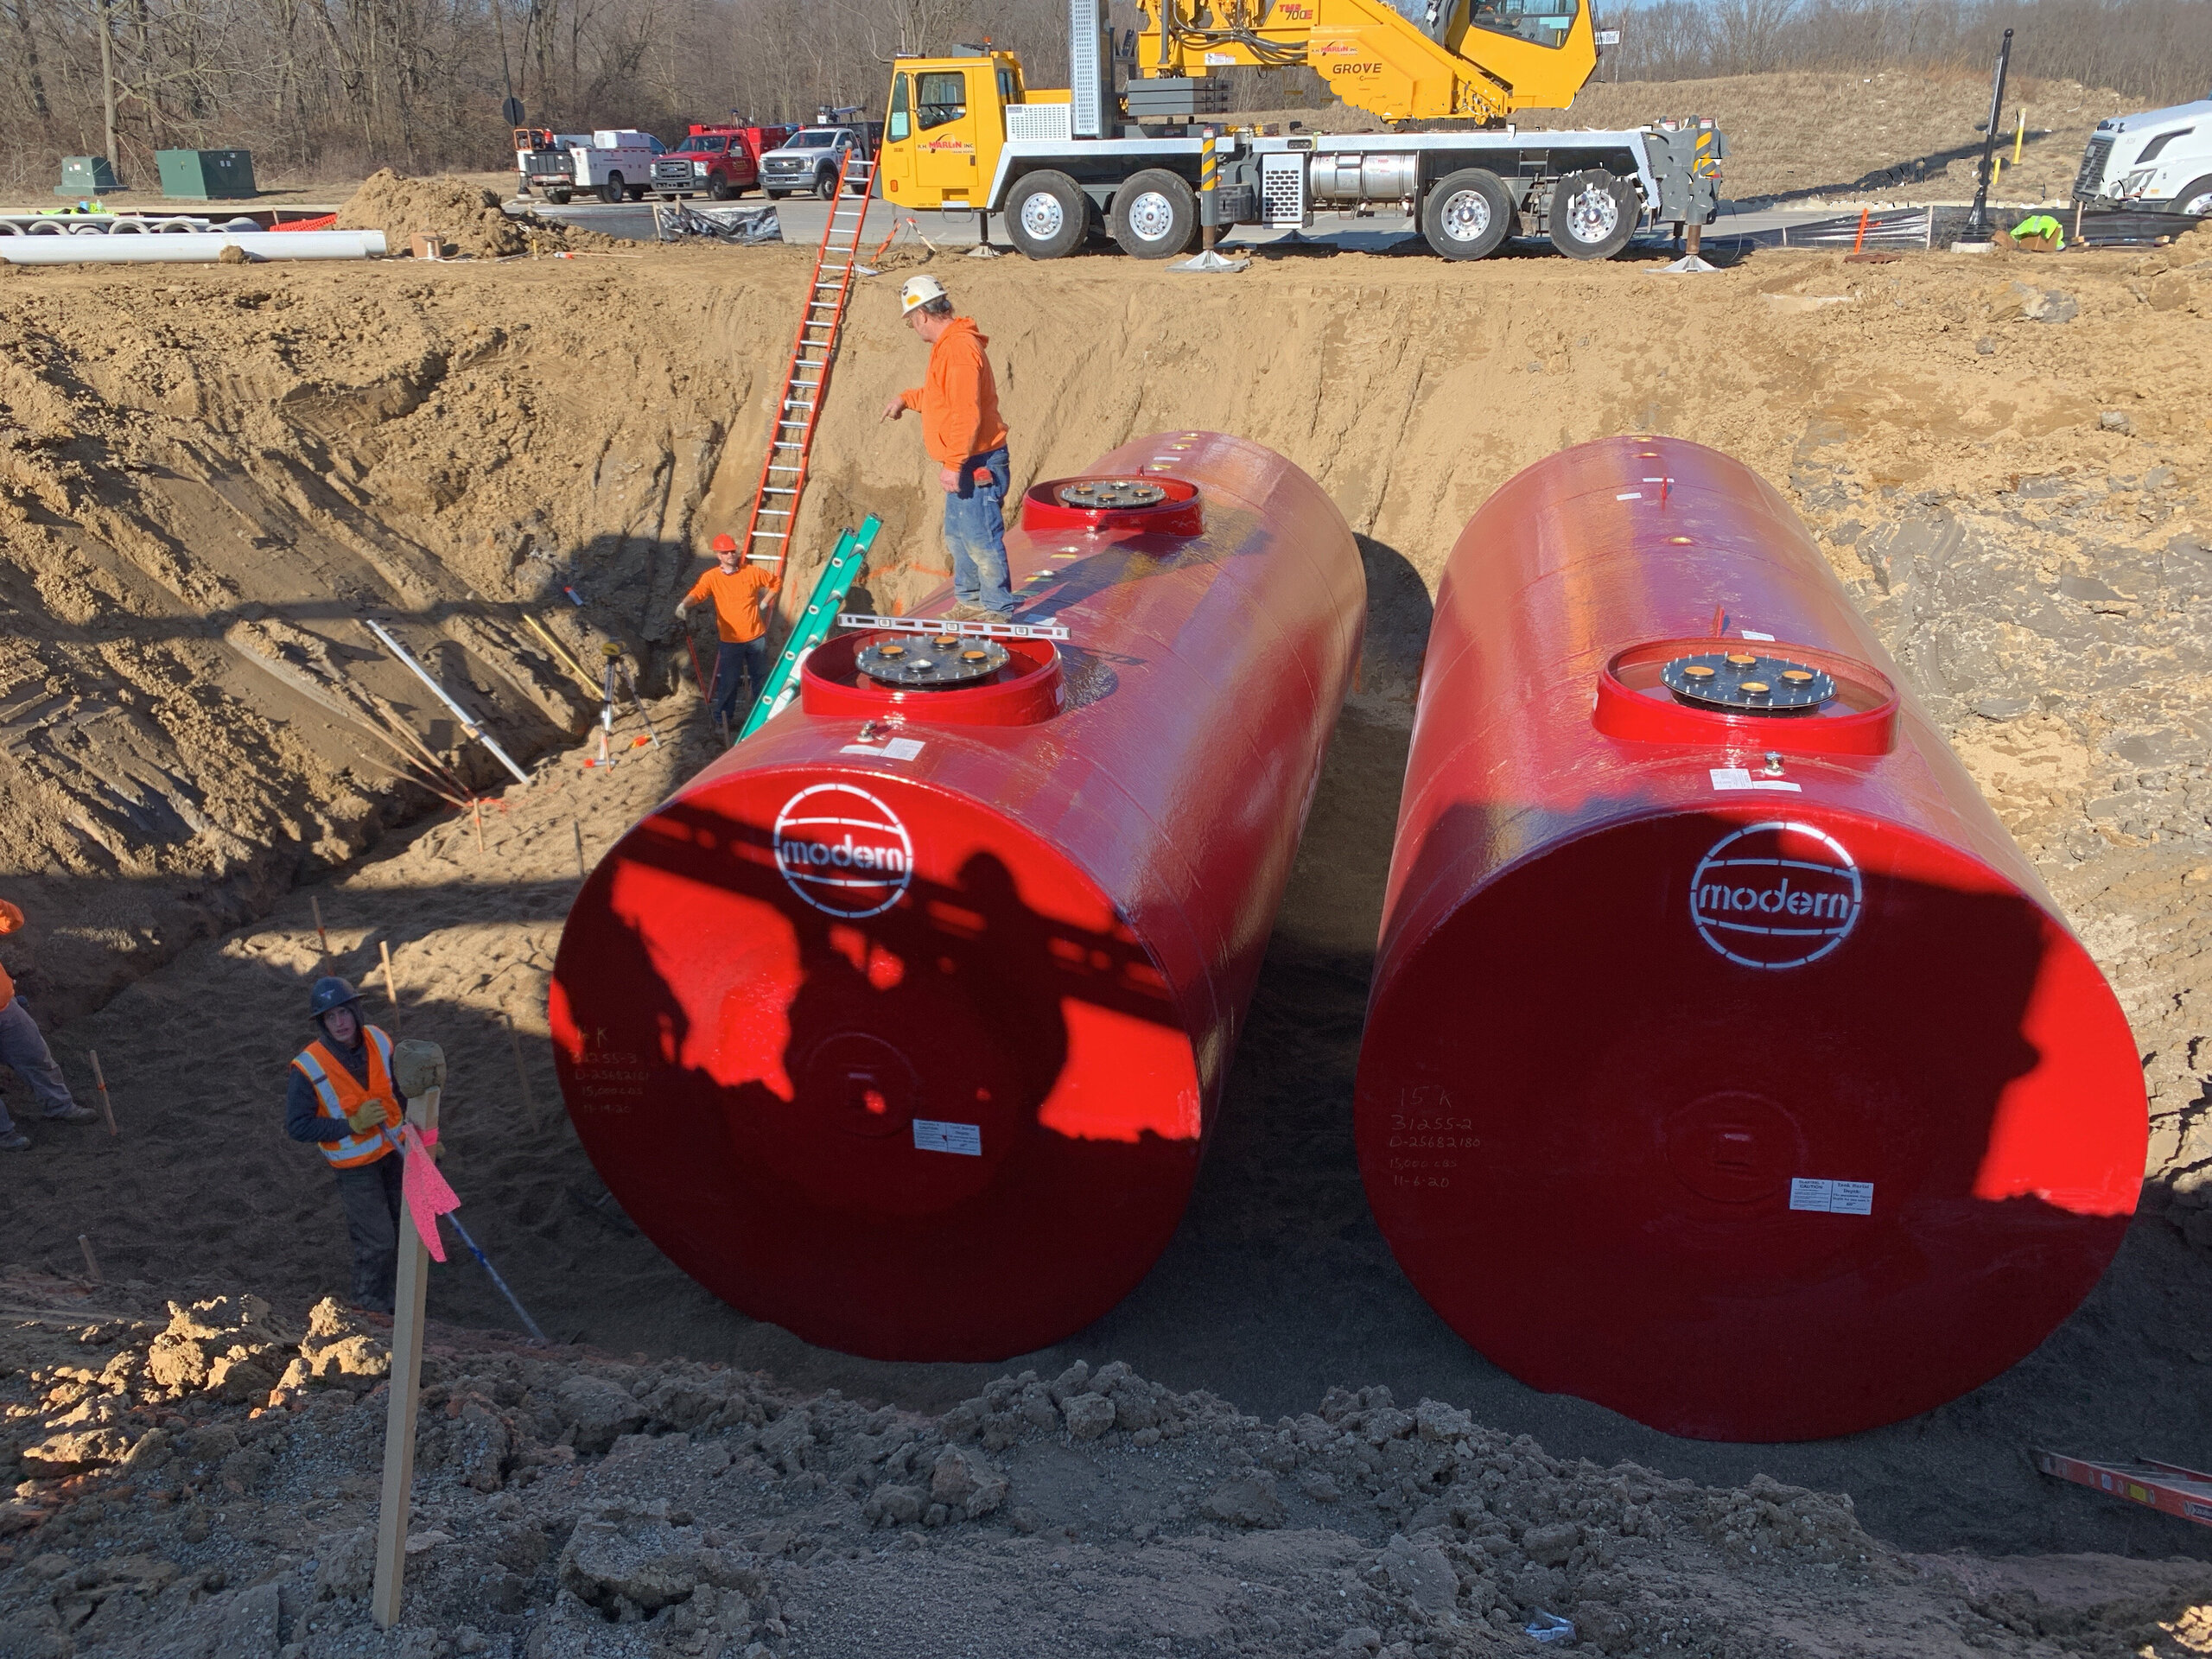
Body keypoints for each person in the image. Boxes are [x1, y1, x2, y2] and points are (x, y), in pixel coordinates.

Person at [880, 275, 1014, 621]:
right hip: (968, 458)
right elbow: (942, 396)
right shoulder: (948, 346)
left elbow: (966, 412)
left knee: (980, 536)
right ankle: (971, 601)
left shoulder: (958, 349)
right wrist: (906, 399)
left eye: (911, 321)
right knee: (959, 537)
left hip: (977, 460)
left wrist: (953, 464)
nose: (913, 328)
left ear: (921, 316)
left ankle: (997, 609)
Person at [283, 976, 404, 1314]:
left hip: (396, 1152)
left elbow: (400, 1093)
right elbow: (298, 1126)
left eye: (344, 1013)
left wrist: (424, 1140)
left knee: (403, 1228)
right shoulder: (308, 1067)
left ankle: (399, 1296)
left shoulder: (379, 1040)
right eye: (330, 1017)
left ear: (356, 1011)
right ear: (322, 1022)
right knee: (377, 1241)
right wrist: (351, 1125)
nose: (339, 1023)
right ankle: (368, 1307)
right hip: (356, 1169)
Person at [0, 899, 95, 1151]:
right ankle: (4, 1134)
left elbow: (13, 922)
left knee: (34, 1054)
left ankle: (59, 1106)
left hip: (5, 1008)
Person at [676, 532, 782, 729]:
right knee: (729, 682)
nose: (731, 555)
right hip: (730, 641)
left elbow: (775, 582)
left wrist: (765, 601)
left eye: (733, 551)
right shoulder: (712, 577)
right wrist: (684, 604)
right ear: (719, 555)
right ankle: (722, 720)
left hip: (756, 636)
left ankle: (763, 718)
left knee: (760, 679)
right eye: (726, 552)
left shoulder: (752, 572)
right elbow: (698, 593)